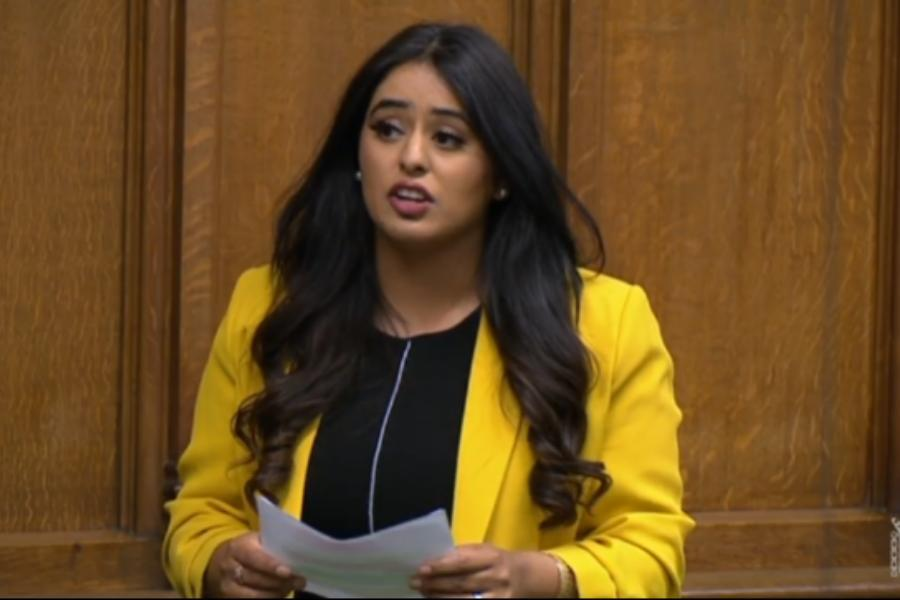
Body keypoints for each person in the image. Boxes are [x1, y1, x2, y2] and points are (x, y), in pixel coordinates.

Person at [163, 21, 693, 599]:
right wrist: (219, 562)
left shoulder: (604, 325)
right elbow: (202, 511)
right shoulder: (271, 308)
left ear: (501, 174)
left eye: (448, 138)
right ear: (358, 153)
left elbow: (650, 548)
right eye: (387, 130)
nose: (411, 157)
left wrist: (536, 578)